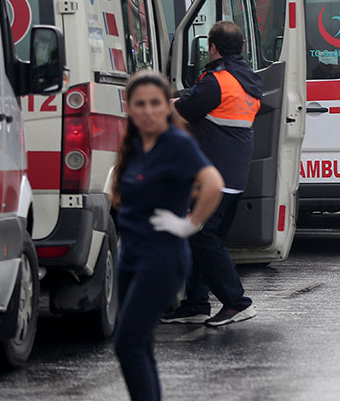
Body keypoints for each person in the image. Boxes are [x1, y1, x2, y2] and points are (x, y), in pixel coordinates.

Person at [110, 70, 224, 401]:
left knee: (127, 343)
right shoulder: (133, 144)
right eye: (140, 104)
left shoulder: (176, 144)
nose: (148, 110)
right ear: (129, 108)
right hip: (130, 255)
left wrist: (189, 224)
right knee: (140, 343)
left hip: (161, 259)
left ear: (166, 107)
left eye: (155, 103)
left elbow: (213, 183)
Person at [164, 21, 263, 326]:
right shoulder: (248, 80)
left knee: (202, 237)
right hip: (233, 176)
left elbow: (182, 110)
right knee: (203, 239)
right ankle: (196, 304)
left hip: (214, 177)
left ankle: (237, 302)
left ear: (213, 48)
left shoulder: (216, 81)